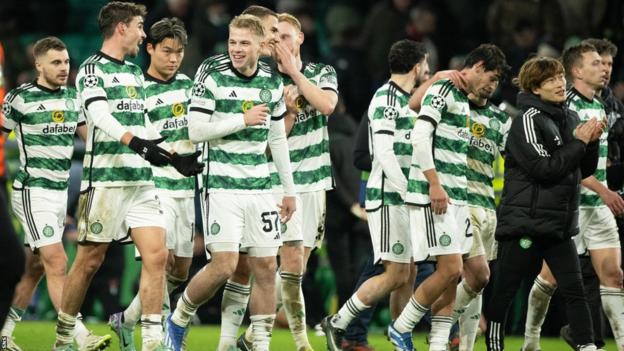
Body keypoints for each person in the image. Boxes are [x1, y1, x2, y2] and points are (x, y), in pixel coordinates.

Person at [52, 3, 203, 350]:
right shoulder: (91, 69)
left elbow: (143, 123)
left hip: (141, 182)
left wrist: (171, 156)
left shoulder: (135, 74)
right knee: (89, 261)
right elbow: (99, 115)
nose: (141, 33)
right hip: (105, 180)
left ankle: (151, 339)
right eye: (138, 26)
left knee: (157, 256)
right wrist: (136, 142)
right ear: (121, 28)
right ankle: (63, 336)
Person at [165, 14, 296, 351]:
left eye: (244, 43)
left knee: (266, 266)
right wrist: (242, 119)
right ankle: (179, 318)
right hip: (221, 184)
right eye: (232, 41)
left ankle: (260, 344)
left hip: (260, 186)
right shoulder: (211, 71)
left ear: (260, 46)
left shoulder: (271, 78)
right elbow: (195, 131)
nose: (236, 49)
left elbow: (278, 139)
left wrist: (289, 190)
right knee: (225, 265)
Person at [231, 11, 339, 351]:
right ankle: (301, 342)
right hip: (280, 184)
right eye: (274, 38)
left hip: (316, 183)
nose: (280, 43)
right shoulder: (264, 81)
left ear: (301, 38)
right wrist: (290, 112)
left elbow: (327, 105)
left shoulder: (322, 72)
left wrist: (294, 72)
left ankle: (251, 336)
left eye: (286, 36)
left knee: (298, 268)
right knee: (283, 265)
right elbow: (265, 144)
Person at [0, 36, 111, 351]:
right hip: (31, 191)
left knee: (34, 266)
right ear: (38, 65)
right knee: (57, 260)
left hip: (59, 193)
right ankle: (79, 335)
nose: (64, 68)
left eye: (66, 62)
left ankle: (4, 331)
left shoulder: (74, 99)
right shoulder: (18, 99)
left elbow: (90, 140)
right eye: (56, 63)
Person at [484, 56, 602, 351]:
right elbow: (544, 168)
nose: (560, 83)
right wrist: (579, 143)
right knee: (505, 292)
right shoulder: (525, 120)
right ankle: (495, 347)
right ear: (535, 88)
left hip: (558, 225)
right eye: (551, 80)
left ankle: (587, 346)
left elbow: (582, 170)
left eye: (561, 77)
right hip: (525, 222)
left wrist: (592, 142)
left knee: (575, 290)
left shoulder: (571, 118)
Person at [320, 39, 428, 351]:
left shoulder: (411, 99)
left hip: (404, 197)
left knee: (406, 273)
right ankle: (339, 321)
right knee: (394, 273)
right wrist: (408, 190)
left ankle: (400, 335)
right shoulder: (385, 98)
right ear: (417, 65)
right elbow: (383, 152)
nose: (428, 69)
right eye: (426, 64)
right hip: (390, 198)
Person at [521, 43, 624, 351]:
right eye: (596, 64)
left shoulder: (602, 106)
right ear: (577, 71)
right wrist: (605, 190)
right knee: (549, 280)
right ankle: (530, 340)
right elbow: (565, 163)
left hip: (598, 208)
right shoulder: (564, 109)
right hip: (570, 207)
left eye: (605, 64)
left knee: (614, 277)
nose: (605, 68)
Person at [107, 17, 196, 351]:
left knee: (180, 270)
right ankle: (161, 340)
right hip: (154, 186)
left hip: (187, 187)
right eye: (167, 51)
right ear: (150, 48)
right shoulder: (137, 89)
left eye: (179, 52)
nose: (173, 59)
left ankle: (126, 320)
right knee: (160, 261)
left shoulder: (188, 85)